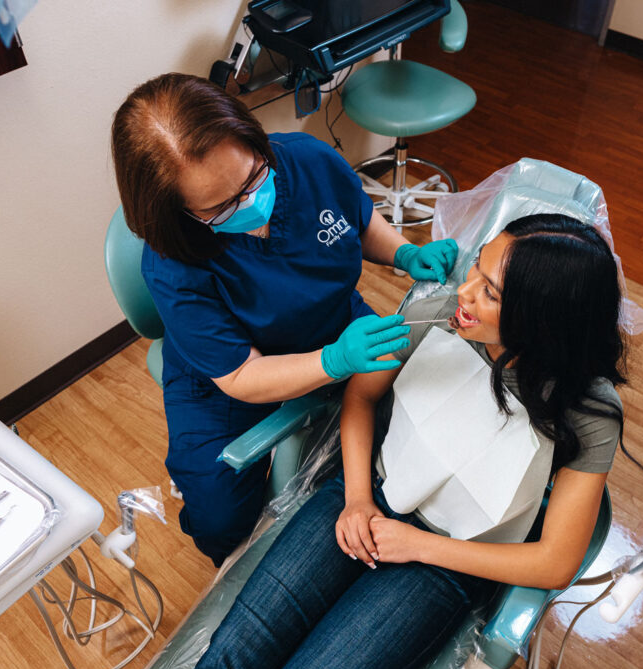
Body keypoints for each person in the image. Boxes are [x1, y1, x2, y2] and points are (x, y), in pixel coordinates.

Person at [189, 213, 635, 669]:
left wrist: (419, 546)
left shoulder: (587, 409)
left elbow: (555, 562)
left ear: (545, 319)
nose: (463, 293)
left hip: (448, 559)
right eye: (476, 270)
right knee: (230, 657)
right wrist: (358, 498)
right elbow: (361, 396)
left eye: (491, 292)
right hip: (369, 495)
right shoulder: (436, 316)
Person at [110, 73, 459, 566]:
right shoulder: (173, 265)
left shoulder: (306, 160)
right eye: (222, 207)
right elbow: (241, 375)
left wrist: (404, 254)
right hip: (227, 376)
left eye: (253, 177)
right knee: (219, 518)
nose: (252, 202)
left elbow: (356, 221)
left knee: (401, 426)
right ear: (178, 215)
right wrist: (335, 360)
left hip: (332, 320)